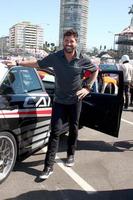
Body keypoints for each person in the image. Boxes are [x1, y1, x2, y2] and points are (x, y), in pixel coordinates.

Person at [3, 29, 98, 179]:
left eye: (71, 41)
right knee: (55, 132)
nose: (68, 43)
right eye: (66, 40)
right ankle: (48, 167)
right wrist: (17, 62)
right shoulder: (55, 57)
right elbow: (37, 63)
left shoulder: (83, 59)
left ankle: (70, 154)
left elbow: (95, 70)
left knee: (74, 128)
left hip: (75, 101)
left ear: (76, 42)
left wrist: (87, 87)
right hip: (59, 101)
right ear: (63, 42)